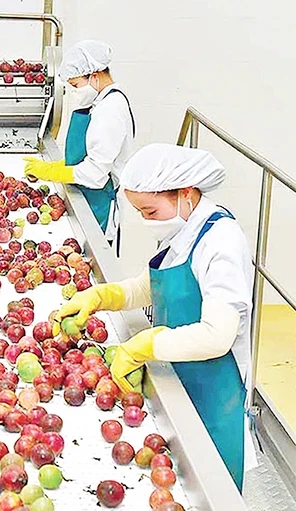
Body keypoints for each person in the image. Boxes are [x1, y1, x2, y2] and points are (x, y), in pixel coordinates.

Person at [56, 143, 253, 491]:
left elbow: (217, 335)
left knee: (209, 483)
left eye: (150, 210)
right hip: (176, 368)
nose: (147, 221)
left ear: (186, 194)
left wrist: (143, 344)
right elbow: (154, 286)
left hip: (212, 387)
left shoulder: (221, 242)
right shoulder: (184, 228)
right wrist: (105, 295)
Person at [23, 40, 135, 253]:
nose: (74, 92)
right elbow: (92, 153)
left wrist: (50, 172)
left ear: (94, 75)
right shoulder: (100, 103)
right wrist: (61, 166)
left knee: (92, 257)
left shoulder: (110, 109)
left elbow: (96, 173)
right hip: (87, 193)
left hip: (99, 202)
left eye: (75, 85)